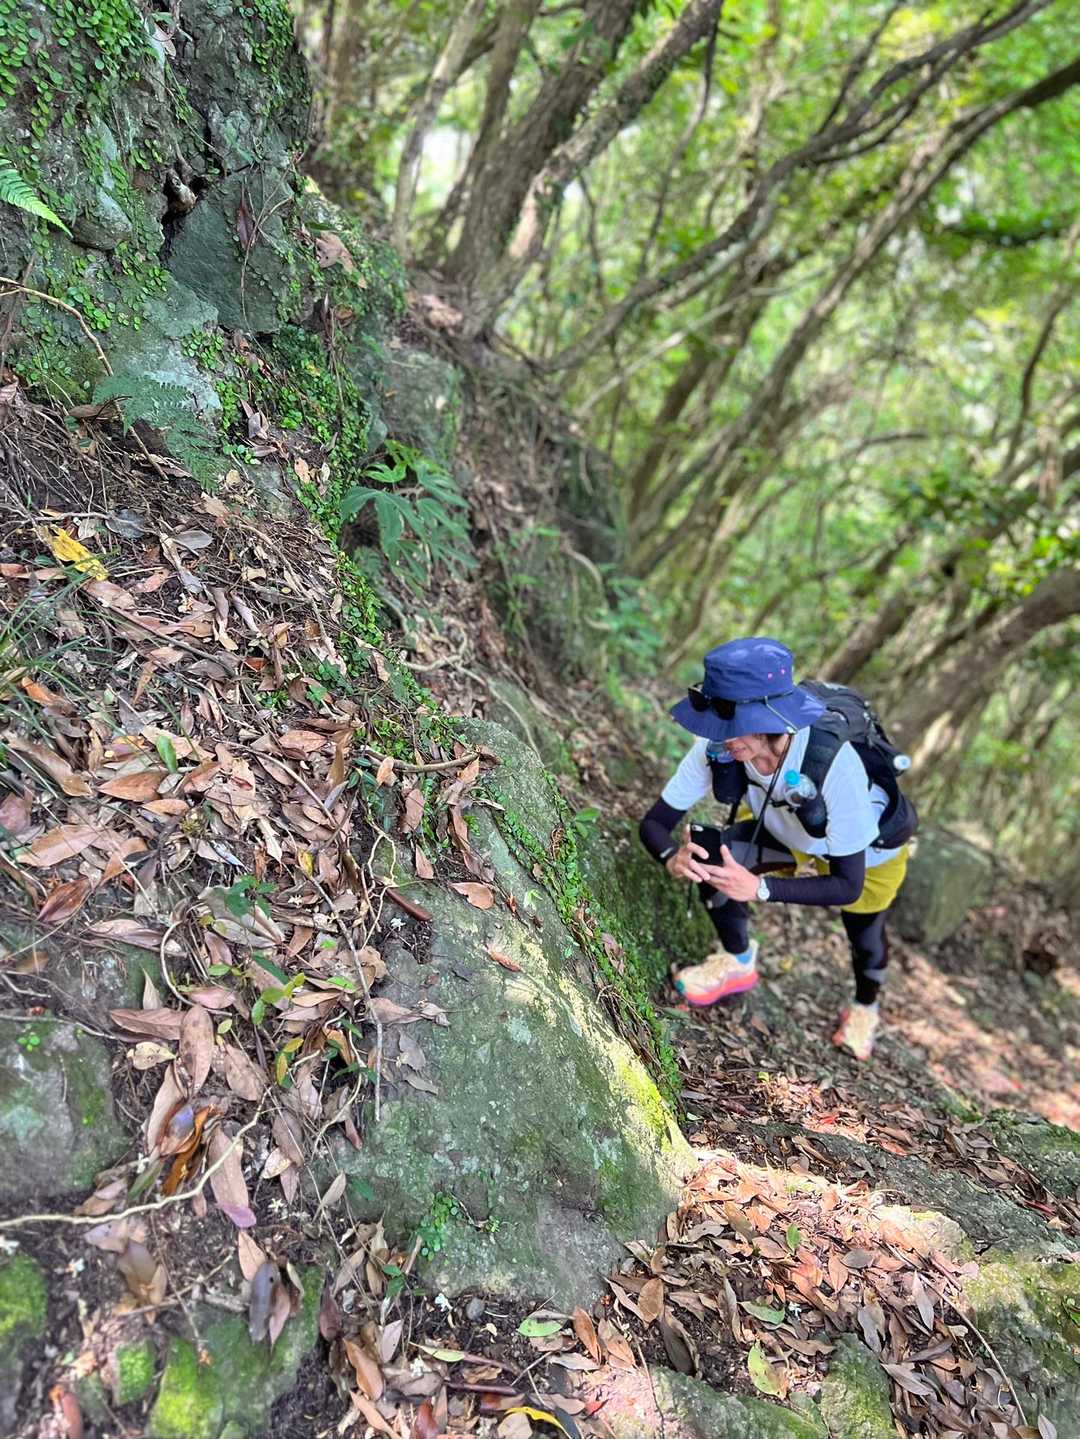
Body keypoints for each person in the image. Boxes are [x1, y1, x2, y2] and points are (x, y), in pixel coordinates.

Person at [638, 637, 911, 1061]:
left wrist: (761, 889)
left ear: (771, 721)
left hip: (869, 850)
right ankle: (737, 959)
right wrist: (672, 856)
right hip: (787, 831)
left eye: (734, 726)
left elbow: (847, 885)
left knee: (866, 935)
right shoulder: (719, 748)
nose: (721, 738)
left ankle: (865, 1008)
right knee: (716, 858)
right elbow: (654, 823)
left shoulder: (834, 763)